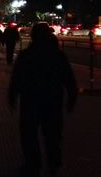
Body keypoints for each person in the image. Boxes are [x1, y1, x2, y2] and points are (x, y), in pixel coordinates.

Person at [9, 23, 77, 177]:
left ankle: (33, 164)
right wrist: (71, 99)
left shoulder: (26, 55)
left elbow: (16, 79)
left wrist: (12, 97)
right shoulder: (58, 55)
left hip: (30, 101)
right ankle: (53, 163)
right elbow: (69, 79)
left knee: (29, 135)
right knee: (52, 134)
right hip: (53, 101)